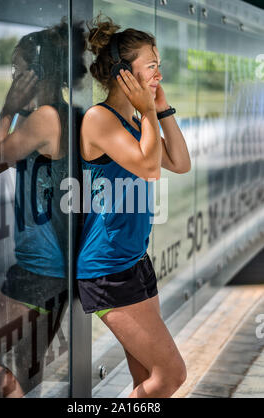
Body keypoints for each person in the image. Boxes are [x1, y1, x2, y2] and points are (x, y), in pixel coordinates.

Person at [76, 12, 191, 398]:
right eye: (152, 65)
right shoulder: (100, 118)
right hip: (107, 269)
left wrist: (161, 108)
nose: (160, 72)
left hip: (135, 261)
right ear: (124, 72)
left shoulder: (134, 121)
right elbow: (148, 167)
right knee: (171, 376)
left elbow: (179, 162)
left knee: (147, 379)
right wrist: (146, 112)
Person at [0, 19, 86, 397]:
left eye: (16, 70)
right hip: (51, 270)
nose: (12, 78)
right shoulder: (63, 113)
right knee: (23, 367)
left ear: (37, 73)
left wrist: (7, 109)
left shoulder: (44, 118)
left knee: (5, 369)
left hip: (40, 270)